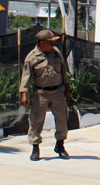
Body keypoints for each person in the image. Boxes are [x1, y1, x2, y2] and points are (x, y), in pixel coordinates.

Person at [20, 29, 72, 161]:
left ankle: (60, 145)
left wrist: (67, 89)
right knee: (36, 121)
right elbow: (26, 76)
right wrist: (24, 94)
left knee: (62, 119)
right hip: (41, 93)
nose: (53, 45)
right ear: (42, 43)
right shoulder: (32, 57)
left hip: (58, 92)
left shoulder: (57, 53)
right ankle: (35, 148)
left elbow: (64, 73)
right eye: (50, 43)